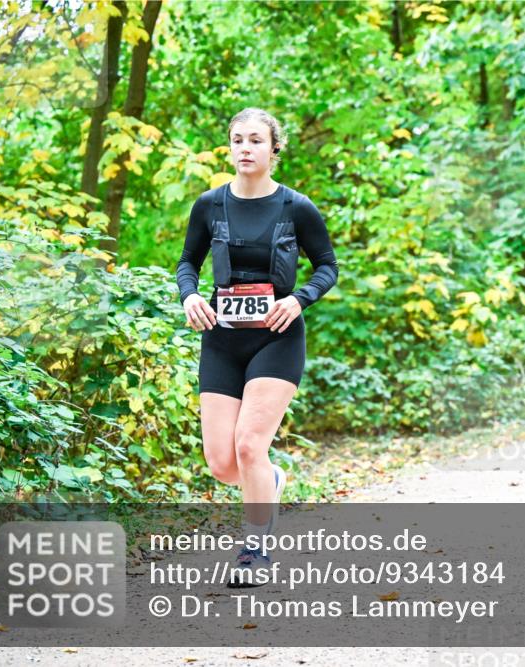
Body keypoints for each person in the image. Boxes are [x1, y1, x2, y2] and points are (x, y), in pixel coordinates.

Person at [175, 108, 339, 586]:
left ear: (274, 149)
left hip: (277, 338)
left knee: (250, 445)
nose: (245, 148)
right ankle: (271, 481)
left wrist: (299, 299)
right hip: (222, 340)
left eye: (255, 141)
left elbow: (327, 266)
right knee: (222, 463)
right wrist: (189, 296)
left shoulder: (296, 208)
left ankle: (256, 550)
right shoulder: (209, 205)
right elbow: (188, 262)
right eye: (237, 140)